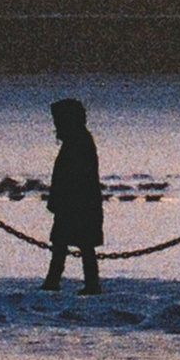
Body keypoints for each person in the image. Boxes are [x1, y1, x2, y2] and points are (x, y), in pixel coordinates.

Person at [44, 94, 104, 294]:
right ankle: (54, 280)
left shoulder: (78, 142)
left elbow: (75, 177)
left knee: (82, 245)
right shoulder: (77, 140)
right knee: (63, 244)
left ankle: (89, 283)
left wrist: (60, 200)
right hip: (74, 203)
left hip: (78, 204)